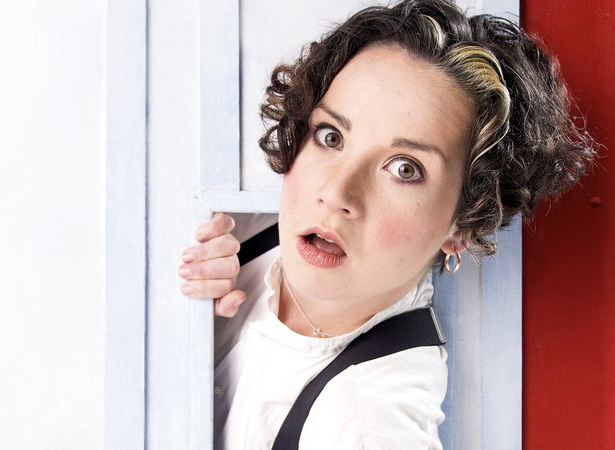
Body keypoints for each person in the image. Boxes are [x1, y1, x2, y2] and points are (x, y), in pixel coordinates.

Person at [178, 0, 597, 448]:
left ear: (463, 223)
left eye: (404, 169)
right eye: (331, 136)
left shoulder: (369, 425)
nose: (336, 192)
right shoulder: (230, 232)